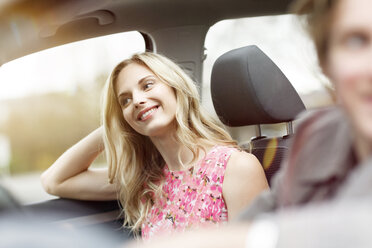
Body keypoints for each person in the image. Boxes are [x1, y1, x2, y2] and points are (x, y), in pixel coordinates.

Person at [128, 0, 372, 247]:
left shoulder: (235, 165)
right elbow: (260, 218)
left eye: (147, 86)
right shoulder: (317, 138)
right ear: (326, 62)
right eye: (356, 41)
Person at [40, 52, 269, 239]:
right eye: (125, 100)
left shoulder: (237, 168)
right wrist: (113, 124)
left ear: (175, 88)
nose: (137, 100)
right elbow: (54, 181)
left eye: (147, 85)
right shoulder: (145, 178)